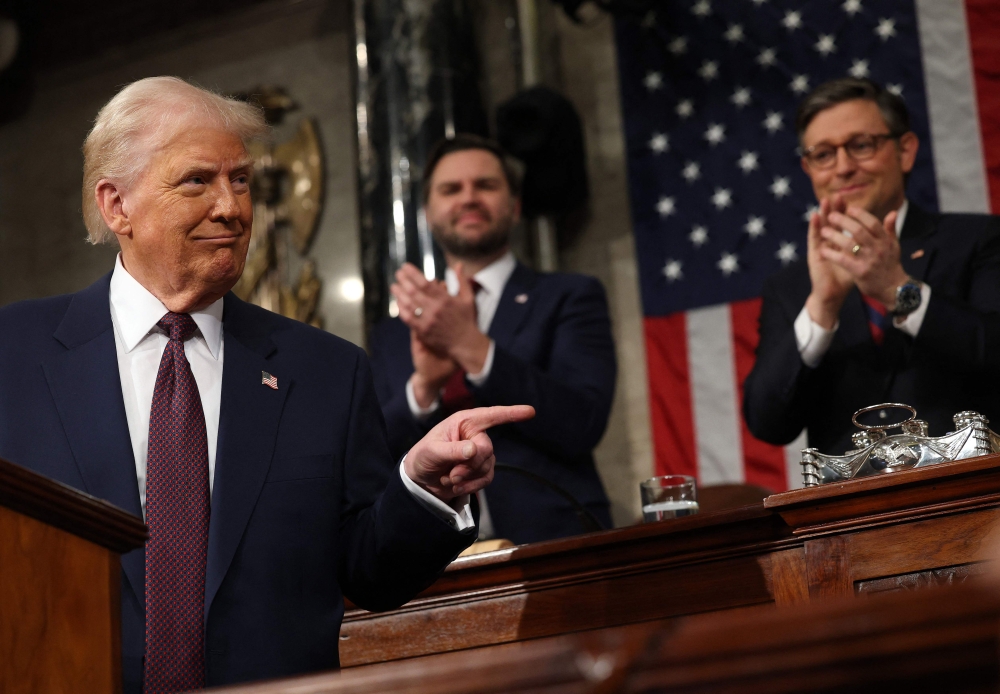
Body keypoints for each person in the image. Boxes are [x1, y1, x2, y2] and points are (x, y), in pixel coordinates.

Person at [0, 77, 533, 694]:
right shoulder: (15, 354)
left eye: (242, 180)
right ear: (116, 205)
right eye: (197, 180)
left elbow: (370, 573)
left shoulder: (326, 371)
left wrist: (421, 488)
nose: (232, 207)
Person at [369, 134, 617, 544]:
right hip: (429, 562)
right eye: (451, 189)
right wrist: (424, 387)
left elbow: (582, 423)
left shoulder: (570, 296)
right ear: (429, 213)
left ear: (514, 207)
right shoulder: (394, 333)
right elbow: (372, 458)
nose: (469, 198)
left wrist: (472, 347)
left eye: (485, 185)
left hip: (557, 545)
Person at [744, 78, 1000, 457]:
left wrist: (899, 292)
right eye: (824, 154)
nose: (843, 167)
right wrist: (822, 308)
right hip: (853, 511)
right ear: (808, 168)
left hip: (976, 493)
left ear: (906, 151)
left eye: (861, 146)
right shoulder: (792, 287)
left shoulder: (978, 239)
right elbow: (767, 422)